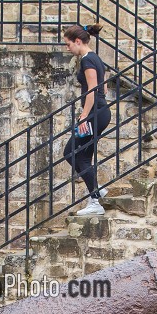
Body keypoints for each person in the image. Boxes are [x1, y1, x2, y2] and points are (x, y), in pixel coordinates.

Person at [62, 24, 111, 216]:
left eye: (68, 44)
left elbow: (92, 90)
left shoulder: (87, 60)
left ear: (78, 41)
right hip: (100, 112)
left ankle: (96, 200)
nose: (67, 49)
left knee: (72, 153)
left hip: (94, 114)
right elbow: (104, 88)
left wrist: (83, 116)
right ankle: (97, 191)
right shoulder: (95, 58)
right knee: (82, 156)